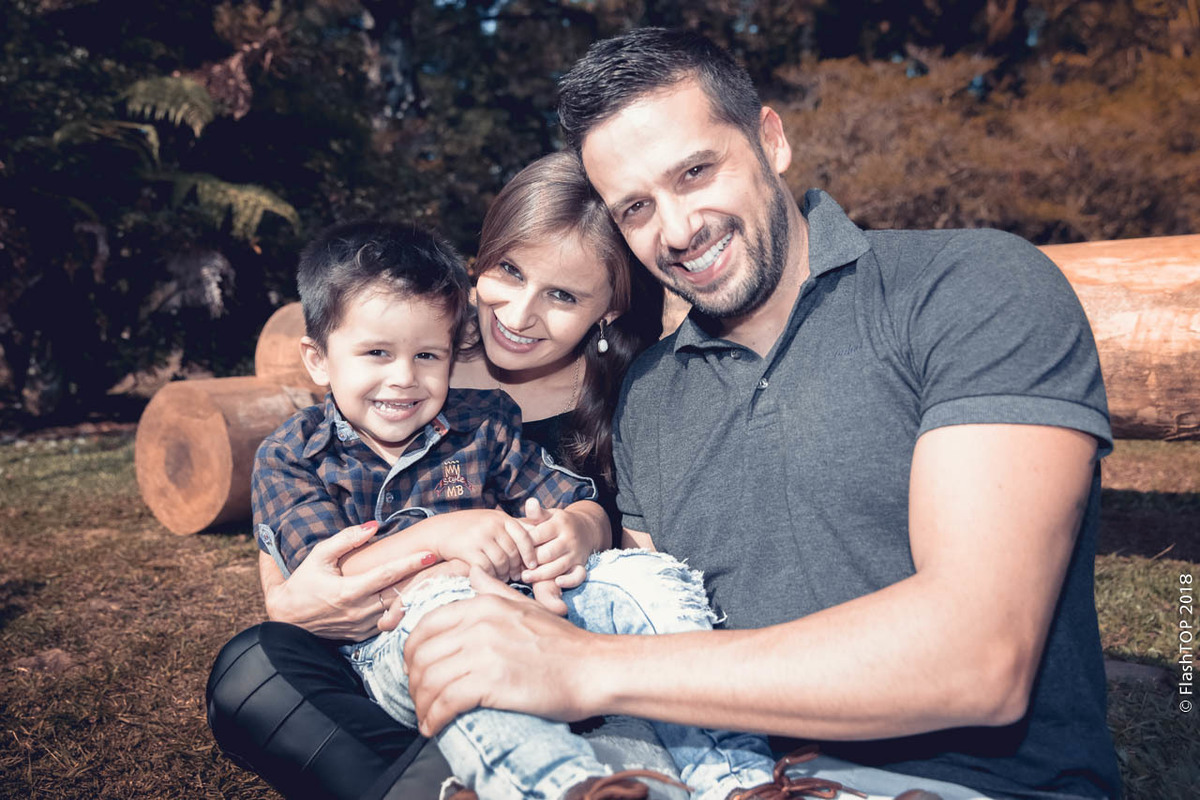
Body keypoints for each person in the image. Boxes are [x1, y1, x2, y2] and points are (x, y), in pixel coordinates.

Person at [399, 28, 1122, 800]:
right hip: (727, 777)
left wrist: (579, 669)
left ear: (770, 140)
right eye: (636, 207)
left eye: (696, 172)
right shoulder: (646, 397)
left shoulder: (967, 285)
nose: (677, 232)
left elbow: (979, 658)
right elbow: (644, 616)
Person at [206, 151, 672, 800]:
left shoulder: (634, 393)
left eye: (563, 295)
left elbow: (628, 550)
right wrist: (301, 594)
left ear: (610, 309)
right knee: (251, 670)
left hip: (558, 629)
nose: (517, 314)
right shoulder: (412, 347)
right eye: (509, 270)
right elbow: (297, 583)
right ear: (481, 260)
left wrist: (584, 525)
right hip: (402, 632)